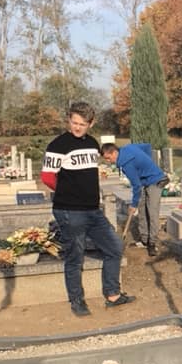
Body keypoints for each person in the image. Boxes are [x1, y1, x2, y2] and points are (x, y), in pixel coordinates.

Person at [41, 102, 136, 317]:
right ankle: (77, 301)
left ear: (91, 124)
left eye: (82, 124)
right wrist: (67, 193)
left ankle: (112, 294)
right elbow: (47, 177)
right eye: (74, 122)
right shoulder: (58, 145)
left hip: (93, 210)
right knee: (75, 257)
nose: (77, 127)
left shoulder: (93, 144)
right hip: (69, 211)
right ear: (69, 120)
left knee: (114, 248)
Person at [100, 142, 167, 256]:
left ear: (114, 152)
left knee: (152, 212)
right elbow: (147, 146)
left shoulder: (127, 164)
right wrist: (144, 166)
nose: (108, 161)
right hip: (144, 181)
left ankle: (152, 243)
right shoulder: (127, 148)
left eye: (108, 158)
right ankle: (144, 240)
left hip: (155, 180)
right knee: (142, 210)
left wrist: (133, 204)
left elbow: (136, 186)